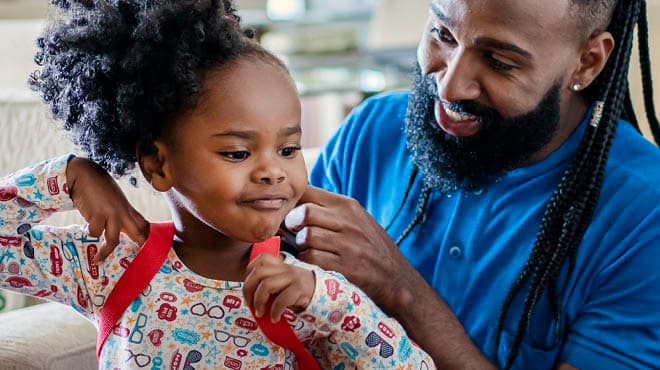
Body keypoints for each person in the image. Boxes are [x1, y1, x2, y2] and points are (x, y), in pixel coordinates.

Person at [0, 1, 435, 369]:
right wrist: (71, 177)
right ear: (157, 164)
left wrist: (329, 302)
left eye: (288, 149)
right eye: (237, 153)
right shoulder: (111, 263)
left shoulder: (309, 281)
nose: (273, 172)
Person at [282, 0, 660, 369]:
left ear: (587, 62)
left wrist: (402, 290)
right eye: (442, 34)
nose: (449, 87)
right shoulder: (373, 131)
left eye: (500, 62)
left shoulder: (645, 216)